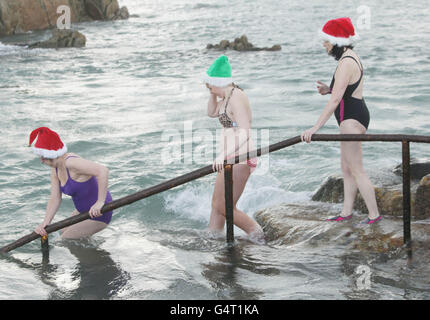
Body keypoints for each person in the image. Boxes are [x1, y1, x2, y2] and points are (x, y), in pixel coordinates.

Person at [301, 17, 381, 224]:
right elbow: (342, 92)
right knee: (346, 168)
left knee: (356, 169)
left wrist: (315, 127)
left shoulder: (346, 62)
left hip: (351, 119)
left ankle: (374, 215)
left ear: (336, 41)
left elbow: (337, 100)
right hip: (354, 114)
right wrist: (328, 89)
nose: (324, 45)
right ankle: (346, 212)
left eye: (326, 41)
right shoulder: (349, 57)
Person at [203, 55, 265, 242]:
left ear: (217, 81)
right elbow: (211, 112)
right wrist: (213, 93)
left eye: (209, 84)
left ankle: (258, 235)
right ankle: (213, 238)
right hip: (230, 157)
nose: (207, 88)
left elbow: (245, 132)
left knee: (225, 206)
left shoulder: (237, 96)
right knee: (216, 205)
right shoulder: (225, 97)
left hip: (240, 157)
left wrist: (223, 155)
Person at [29, 127, 114, 239]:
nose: (41, 161)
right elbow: (55, 198)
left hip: (100, 211)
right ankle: (91, 253)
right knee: (62, 232)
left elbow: (103, 171)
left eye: (43, 157)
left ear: (52, 155)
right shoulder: (55, 169)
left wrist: (100, 202)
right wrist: (45, 222)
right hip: (82, 211)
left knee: (65, 240)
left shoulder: (72, 163)